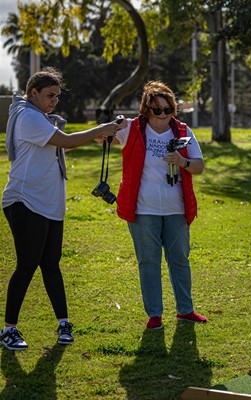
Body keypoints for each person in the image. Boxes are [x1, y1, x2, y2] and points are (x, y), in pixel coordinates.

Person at [1, 67, 126, 351]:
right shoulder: (27, 117)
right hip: (24, 202)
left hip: (48, 205)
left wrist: (97, 136)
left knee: (51, 265)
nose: (55, 101)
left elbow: (62, 142)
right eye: (49, 95)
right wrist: (102, 129)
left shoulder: (41, 118)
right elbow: (66, 142)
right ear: (33, 93)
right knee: (27, 265)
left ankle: (63, 324)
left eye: (57, 96)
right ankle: (8, 329)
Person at [113, 80, 207, 330]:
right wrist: (112, 127)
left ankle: (185, 310)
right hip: (143, 210)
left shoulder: (184, 131)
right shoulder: (132, 128)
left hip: (176, 209)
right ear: (146, 110)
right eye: (157, 110)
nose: (163, 115)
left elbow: (199, 165)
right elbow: (103, 137)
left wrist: (182, 161)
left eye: (168, 110)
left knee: (180, 260)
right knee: (149, 262)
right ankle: (154, 314)